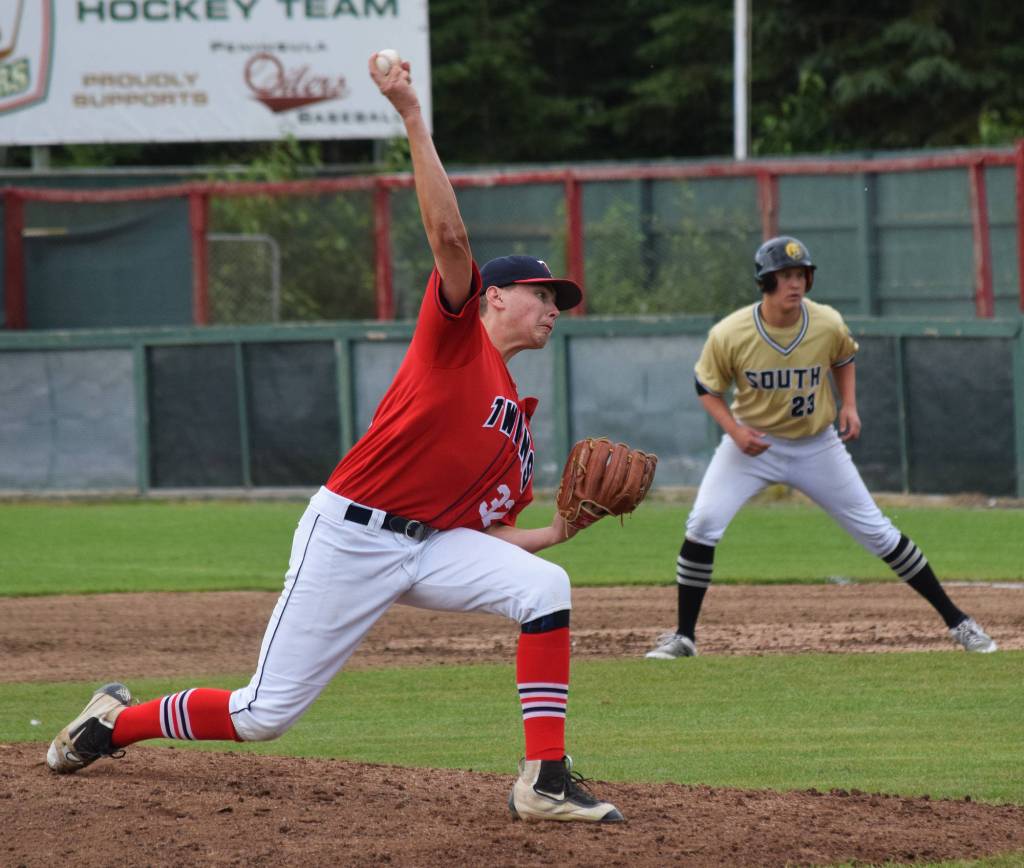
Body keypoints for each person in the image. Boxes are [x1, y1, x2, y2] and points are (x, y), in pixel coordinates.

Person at [46, 54, 623, 825]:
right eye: (541, 294)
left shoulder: (516, 422)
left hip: (425, 545)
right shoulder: (455, 343)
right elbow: (450, 236)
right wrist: (412, 115)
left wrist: (554, 530)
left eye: (559, 299)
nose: (554, 306)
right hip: (350, 537)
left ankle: (543, 779)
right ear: (493, 298)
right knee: (262, 714)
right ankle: (113, 724)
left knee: (545, 588)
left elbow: (481, 533)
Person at [645, 235, 997, 660]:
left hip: (817, 445)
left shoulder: (826, 322)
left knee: (878, 533)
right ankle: (684, 637)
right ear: (765, 281)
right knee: (703, 524)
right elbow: (706, 387)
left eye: (800, 275)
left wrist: (849, 404)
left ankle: (959, 622)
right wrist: (735, 432)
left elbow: (843, 357)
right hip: (752, 444)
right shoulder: (731, 332)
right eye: (784, 276)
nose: (794, 283)